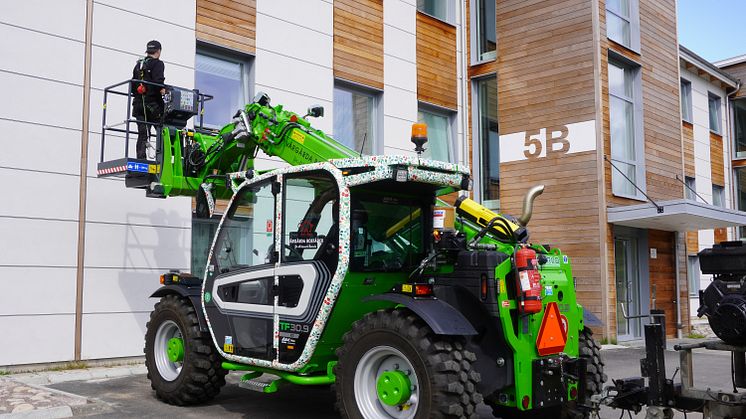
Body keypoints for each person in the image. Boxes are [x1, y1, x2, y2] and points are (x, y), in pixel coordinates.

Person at [131, 40, 166, 159]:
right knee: (163, 131)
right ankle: (164, 159)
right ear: (158, 51)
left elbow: (133, 86)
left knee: (143, 133)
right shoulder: (158, 64)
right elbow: (158, 82)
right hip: (152, 105)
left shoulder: (138, 65)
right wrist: (162, 89)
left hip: (138, 105)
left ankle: (141, 158)